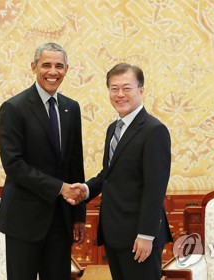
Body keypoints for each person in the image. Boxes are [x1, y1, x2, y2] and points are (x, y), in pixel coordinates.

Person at [73, 63, 172, 279]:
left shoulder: (154, 130)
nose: (120, 94)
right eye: (114, 88)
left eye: (127, 88)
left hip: (139, 237)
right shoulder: (114, 129)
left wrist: (146, 235)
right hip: (114, 233)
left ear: (141, 90)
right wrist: (86, 189)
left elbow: (155, 188)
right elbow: (108, 176)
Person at [0, 42, 87, 280]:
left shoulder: (71, 108)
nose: (52, 71)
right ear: (34, 67)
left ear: (66, 69)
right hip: (23, 220)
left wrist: (78, 216)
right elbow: (14, 165)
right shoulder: (14, 108)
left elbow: (74, 163)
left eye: (59, 66)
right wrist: (59, 188)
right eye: (46, 65)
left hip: (60, 220)